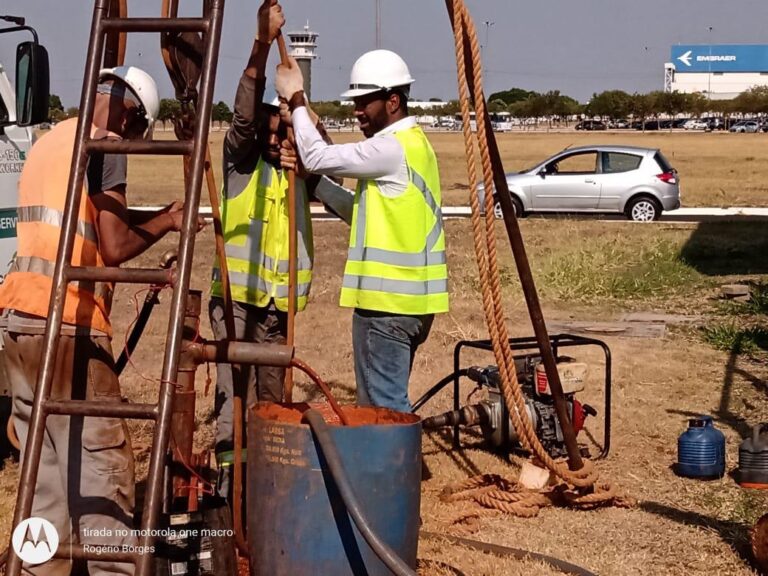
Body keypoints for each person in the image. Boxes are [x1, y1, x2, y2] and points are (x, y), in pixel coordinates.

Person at [0, 66, 201, 575]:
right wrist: (170, 223)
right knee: (102, 476)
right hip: (69, 330)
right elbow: (113, 246)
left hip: (20, 324)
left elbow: (92, 220)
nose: (131, 141)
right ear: (130, 113)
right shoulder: (104, 146)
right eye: (136, 132)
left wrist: (160, 219)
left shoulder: (52, 141)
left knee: (44, 488)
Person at [275, 49, 449, 414]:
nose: (356, 112)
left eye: (364, 103)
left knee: (382, 413)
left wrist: (297, 98)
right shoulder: (416, 146)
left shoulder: (389, 148)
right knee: (384, 409)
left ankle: (390, 471)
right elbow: (364, 213)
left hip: (384, 308)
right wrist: (314, 185)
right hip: (413, 307)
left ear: (393, 101)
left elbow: (318, 155)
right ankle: (387, 469)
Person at [209, 0, 336, 497]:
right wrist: (261, 45)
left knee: (272, 398)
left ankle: (268, 481)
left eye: (280, 125)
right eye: (268, 124)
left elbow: (323, 148)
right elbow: (243, 115)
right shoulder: (240, 161)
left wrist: (298, 109)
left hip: (278, 309)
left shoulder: (298, 171)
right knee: (231, 396)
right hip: (237, 301)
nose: (273, 131)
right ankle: (229, 486)